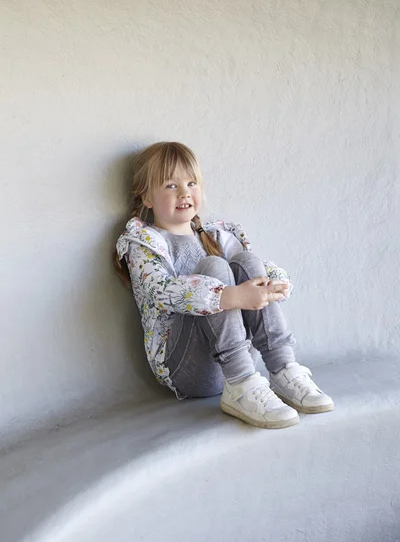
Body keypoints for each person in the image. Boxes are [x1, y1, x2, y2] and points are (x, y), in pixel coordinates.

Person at [115, 141, 334, 429]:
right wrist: (229, 296)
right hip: (188, 370)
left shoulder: (217, 236)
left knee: (245, 260)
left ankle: (282, 369)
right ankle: (240, 386)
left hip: (243, 358)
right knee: (213, 268)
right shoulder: (145, 244)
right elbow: (162, 291)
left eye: (191, 182)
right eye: (170, 185)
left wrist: (274, 284)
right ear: (147, 197)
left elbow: (259, 269)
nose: (184, 193)